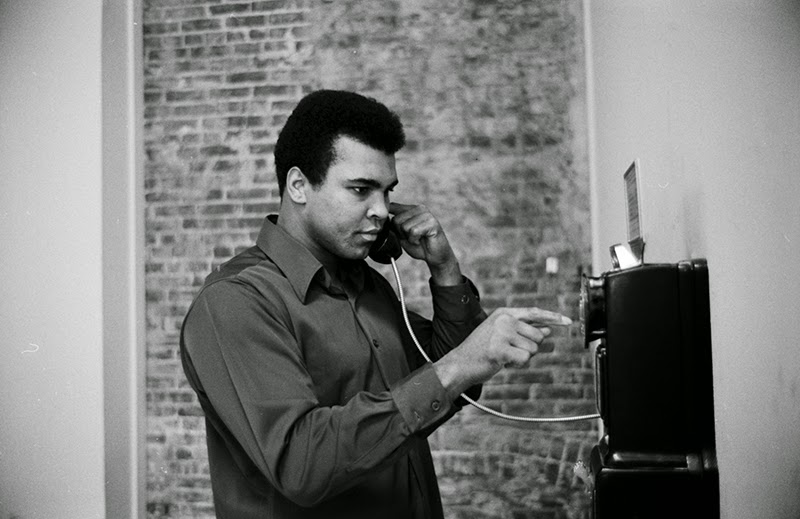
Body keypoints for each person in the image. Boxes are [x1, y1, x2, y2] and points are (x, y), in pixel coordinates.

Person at [180, 89, 571, 519]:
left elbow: (446, 380)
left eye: (387, 192)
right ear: (298, 185)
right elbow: (302, 465)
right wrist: (457, 366)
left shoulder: (366, 284)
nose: (382, 211)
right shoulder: (236, 302)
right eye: (361, 190)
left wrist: (444, 269)